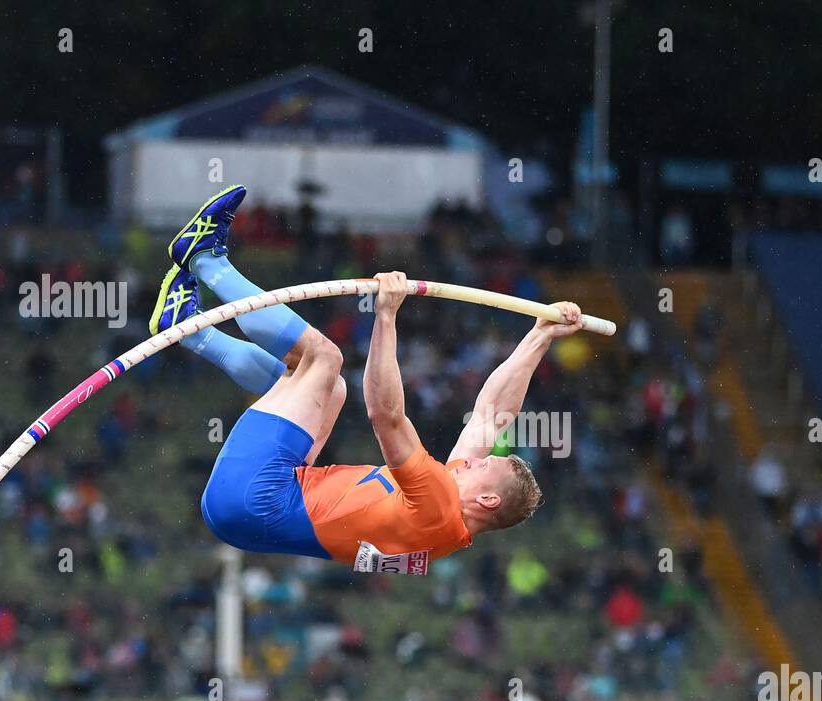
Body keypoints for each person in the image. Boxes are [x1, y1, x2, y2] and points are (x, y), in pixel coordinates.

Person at [150, 186, 586, 572]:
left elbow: (386, 415)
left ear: (488, 500)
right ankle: (189, 329)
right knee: (324, 386)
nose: (473, 458)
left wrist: (386, 314)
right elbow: (492, 416)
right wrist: (538, 337)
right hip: (253, 508)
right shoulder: (450, 520)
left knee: (323, 358)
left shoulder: (437, 504)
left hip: (255, 497)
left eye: (482, 465)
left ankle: (205, 260)